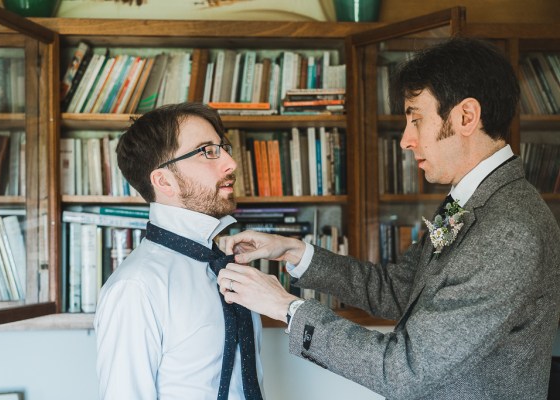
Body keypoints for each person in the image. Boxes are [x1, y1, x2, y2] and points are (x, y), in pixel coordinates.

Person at [217, 37, 560, 399]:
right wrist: (295, 253)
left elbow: (404, 369)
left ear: (466, 117)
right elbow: (399, 292)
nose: (406, 140)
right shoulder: (471, 201)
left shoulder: (509, 231)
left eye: (416, 119)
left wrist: (285, 307)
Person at [94, 102, 264, 400]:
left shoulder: (231, 269)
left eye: (223, 148)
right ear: (163, 181)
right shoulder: (136, 288)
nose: (231, 163)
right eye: (207, 151)